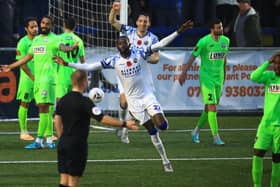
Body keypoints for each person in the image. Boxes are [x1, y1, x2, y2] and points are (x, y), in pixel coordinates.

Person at [54, 19, 193, 172]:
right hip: (134, 103)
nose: (122, 45)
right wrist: (67, 64)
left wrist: (179, 31)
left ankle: (150, 120)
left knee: (163, 126)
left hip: (148, 96)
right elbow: (89, 66)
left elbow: (160, 45)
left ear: (129, 44)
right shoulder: (114, 61)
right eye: (119, 44)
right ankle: (165, 161)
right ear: (117, 47)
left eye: (124, 42)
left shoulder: (140, 53)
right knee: (152, 131)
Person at [0, 15, 78, 149]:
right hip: (38, 80)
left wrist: (69, 48)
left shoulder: (54, 39)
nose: (43, 26)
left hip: (48, 80)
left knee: (44, 108)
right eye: (42, 23)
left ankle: (39, 140)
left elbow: (62, 47)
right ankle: (48, 140)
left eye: (47, 24)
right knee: (44, 109)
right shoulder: (36, 41)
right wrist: (11, 67)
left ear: (51, 26)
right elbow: (27, 57)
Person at [55, 70, 138, 187]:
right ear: (84, 82)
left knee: (63, 180)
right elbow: (102, 118)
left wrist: (61, 137)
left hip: (63, 143)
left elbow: (57, 120)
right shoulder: (84, 102)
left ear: (72, 81)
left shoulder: (63, 99)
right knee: (73, 181)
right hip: (77, 145)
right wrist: (124, 124)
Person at [109, 5, 160, 144]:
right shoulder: (129, 31)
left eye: (146, 21)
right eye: (141, 21)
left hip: (140, 75)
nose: (143, 23)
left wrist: (142, 58)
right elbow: (112, 21)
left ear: (149, 23)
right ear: (137, 22)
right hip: (124, 71)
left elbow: (156, 58)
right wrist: (114, 9)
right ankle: (121, 124)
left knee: (134, 105)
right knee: (124, 101)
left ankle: (124, 131)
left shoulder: (153, 39)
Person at [178, 18, 229, 146]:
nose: (221, 29)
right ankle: (216, 137)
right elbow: (192, 57)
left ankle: (195, 131)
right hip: (206, 78)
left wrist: (225, 76)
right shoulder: (204, 41)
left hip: (219, 78)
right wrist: (184, 72)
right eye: (218, 27)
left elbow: (224, 59)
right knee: (212, 106)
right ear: (212, 29)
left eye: (221, 27)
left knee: (208, 108)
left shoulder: (226, 41)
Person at [250, 52, 280, 187]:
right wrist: (268, 61)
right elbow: (254, 76)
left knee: (277, 159)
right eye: (276, 64)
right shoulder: (269, 77)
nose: (277, 66)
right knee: (257, 153)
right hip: (265, 124)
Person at [15, 17, 38, 141]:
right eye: (32, 27)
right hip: (28, 78)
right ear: (26, 29)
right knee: (25, 104)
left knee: (45, 104)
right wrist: (31, 76)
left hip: (41, 78)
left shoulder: (40, 40)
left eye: (36, 26)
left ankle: (46, 132)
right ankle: (23, 132)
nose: (35, 29)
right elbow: (21, 63)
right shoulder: (22, 43)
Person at [56, 17, 85, 102]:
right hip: (74, 75)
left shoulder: (58, 39)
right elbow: (83, 62)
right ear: (74, 27)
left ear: (64, 25)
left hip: (61, 75)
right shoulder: (79, 40)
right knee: (73, 102)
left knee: (60, 103)